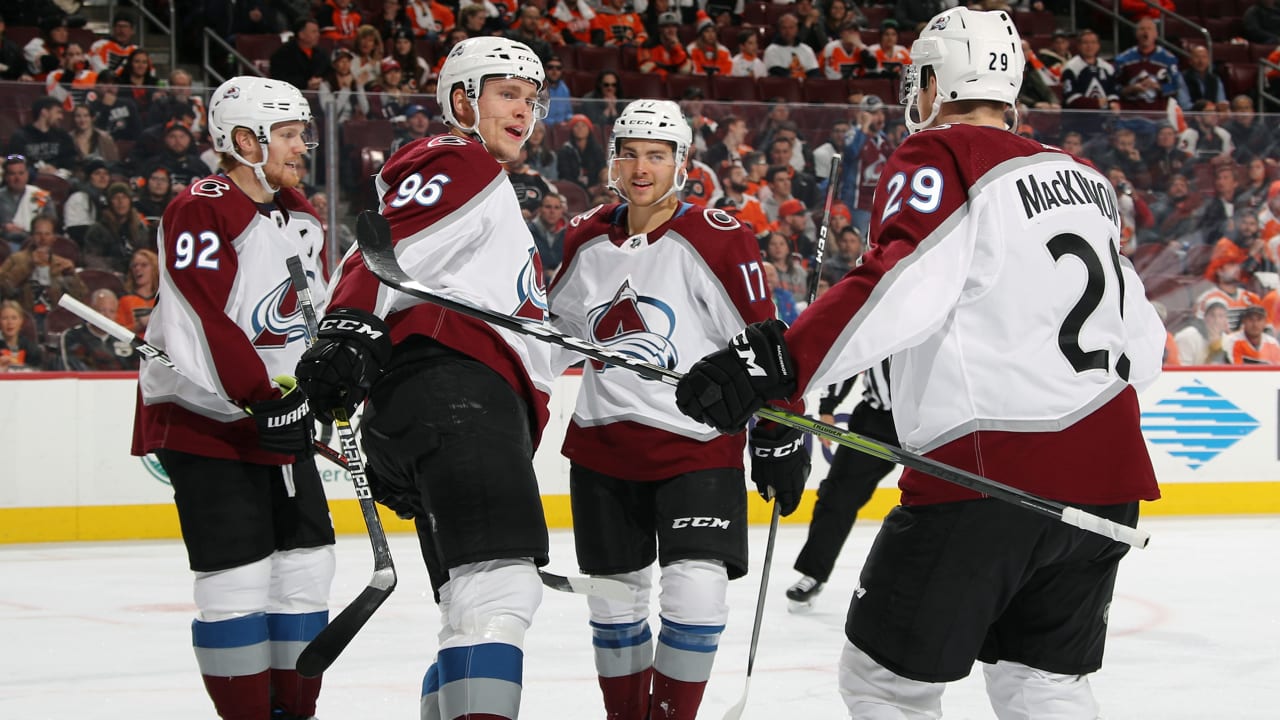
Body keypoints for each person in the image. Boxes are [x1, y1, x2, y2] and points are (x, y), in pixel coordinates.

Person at [673, 9, 1165, 718]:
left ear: (935, 81)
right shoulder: (1086, 180)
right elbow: (1142, 347)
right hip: (1109, 479)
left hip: (989, 474)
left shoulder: (944, 153)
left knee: (886, 684)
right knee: (1043, 682)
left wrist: (780, 363)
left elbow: (901, 281)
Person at [295, 38, 554, 720]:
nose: (524, 110)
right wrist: (346, 328)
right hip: (455, 395)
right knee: (499, 592)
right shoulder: (461, 158)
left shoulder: (488, 191)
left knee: (467, 607)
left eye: (532, 98)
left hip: (440, 404)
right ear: (463, 101)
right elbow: (384, 244)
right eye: (507, 94)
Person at [546, 98, 808, 720]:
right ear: (612, 161)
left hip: (696, 447)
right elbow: (547, 335)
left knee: (697, 594)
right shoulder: (584, 236)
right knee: (613, 603)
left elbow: (763, 342)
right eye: (630, 153)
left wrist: (778, 433)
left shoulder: (718, 238)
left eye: (657, 155)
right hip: (602, 448)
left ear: (681, 164)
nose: (642, 168)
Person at [133, 75, 333, 720]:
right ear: (245, 140)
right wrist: (258, 395)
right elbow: (200, 313)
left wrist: (320, 390)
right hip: (211, 423)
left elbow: (312, 313)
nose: (304, 145)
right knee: (237, 583)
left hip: (282, 418)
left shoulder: (301, 213)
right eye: (290, 134)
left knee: (307, 571)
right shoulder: (202, 205)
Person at [785, 358, 894, 611]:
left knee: (946, 503)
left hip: (933, 422)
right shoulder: (878, 320)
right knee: (837, 496)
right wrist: (828, 407)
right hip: (876, 420)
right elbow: (856, 354)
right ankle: (813, 573)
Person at [57, 288, 141, 370]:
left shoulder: (125, 338)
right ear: (92, 311)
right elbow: (71, 369)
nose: (107, 316)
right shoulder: (73, 336)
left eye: (112, 311)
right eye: (102, 310)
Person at [81, 182, 151, 273]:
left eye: (124, 197)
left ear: (130, 201)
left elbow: (146, 256)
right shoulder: (98, 230)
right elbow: (91, 258)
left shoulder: (140, 229)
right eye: (115, 198)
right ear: (109, 202)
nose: (120, 202)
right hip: (108, 275)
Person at [0, 155, 58, 250]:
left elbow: (51, 222)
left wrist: (28, 231)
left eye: (21, 173)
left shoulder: (40, 195)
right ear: (5, 176)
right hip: (7, 244)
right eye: (12, 174)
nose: (17, 178)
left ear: (27, 174)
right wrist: (3, 228)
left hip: (38, 242)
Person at [116, 247, 159, 333]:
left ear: (154, 268)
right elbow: (117, 332)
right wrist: (139, 326)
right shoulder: (125, 300)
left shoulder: (163, 299)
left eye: (144, 265)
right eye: (134, 266)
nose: (138, 269)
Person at [0, 299, 44, 370]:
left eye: (14, 318)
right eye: (5, 318)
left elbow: (38, 369)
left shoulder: (30, 347)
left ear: (21, 321)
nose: (10, 322)